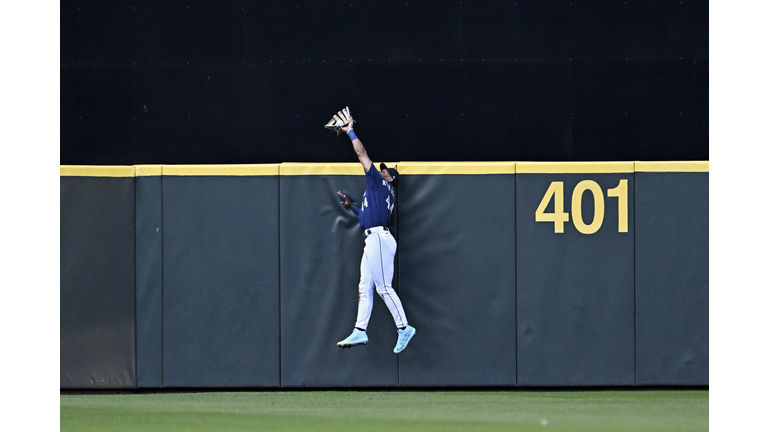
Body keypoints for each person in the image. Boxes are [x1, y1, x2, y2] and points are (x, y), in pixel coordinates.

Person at [335, 121, 416, 354]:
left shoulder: (379, 182)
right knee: (364, 286)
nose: (382, 169)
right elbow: (369, 216)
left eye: (386, 170)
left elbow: (361, 152)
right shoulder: (380, 190)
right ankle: (360, 330)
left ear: (390, 178)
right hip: (374, 237)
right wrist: (352, 207)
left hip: (379, 239)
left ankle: (404, 327)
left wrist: (350, 130)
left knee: (383, 288)